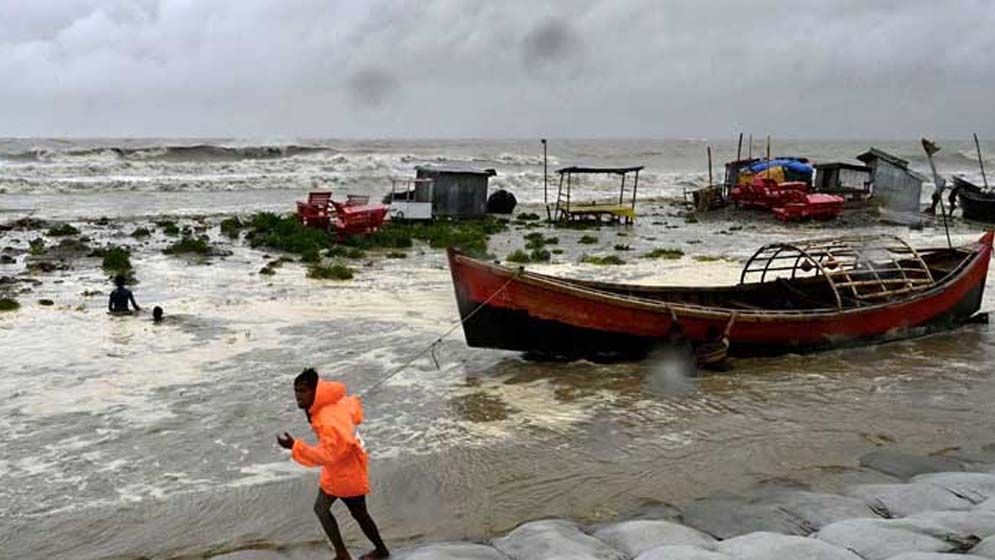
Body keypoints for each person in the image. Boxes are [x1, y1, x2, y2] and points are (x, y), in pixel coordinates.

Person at [278, 368, 389, 560]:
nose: (298, 396)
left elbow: (327, 455)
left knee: (347, 512)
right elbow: (354, 410)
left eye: (303, 391)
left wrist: (295, 446)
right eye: (296, 391)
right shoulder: (330, 402)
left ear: (315, 391)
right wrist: (354, 402)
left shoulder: (326, 419)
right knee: (346, 511)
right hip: (340, 469)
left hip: (346, 473)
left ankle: (350, 553)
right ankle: (366, 551)